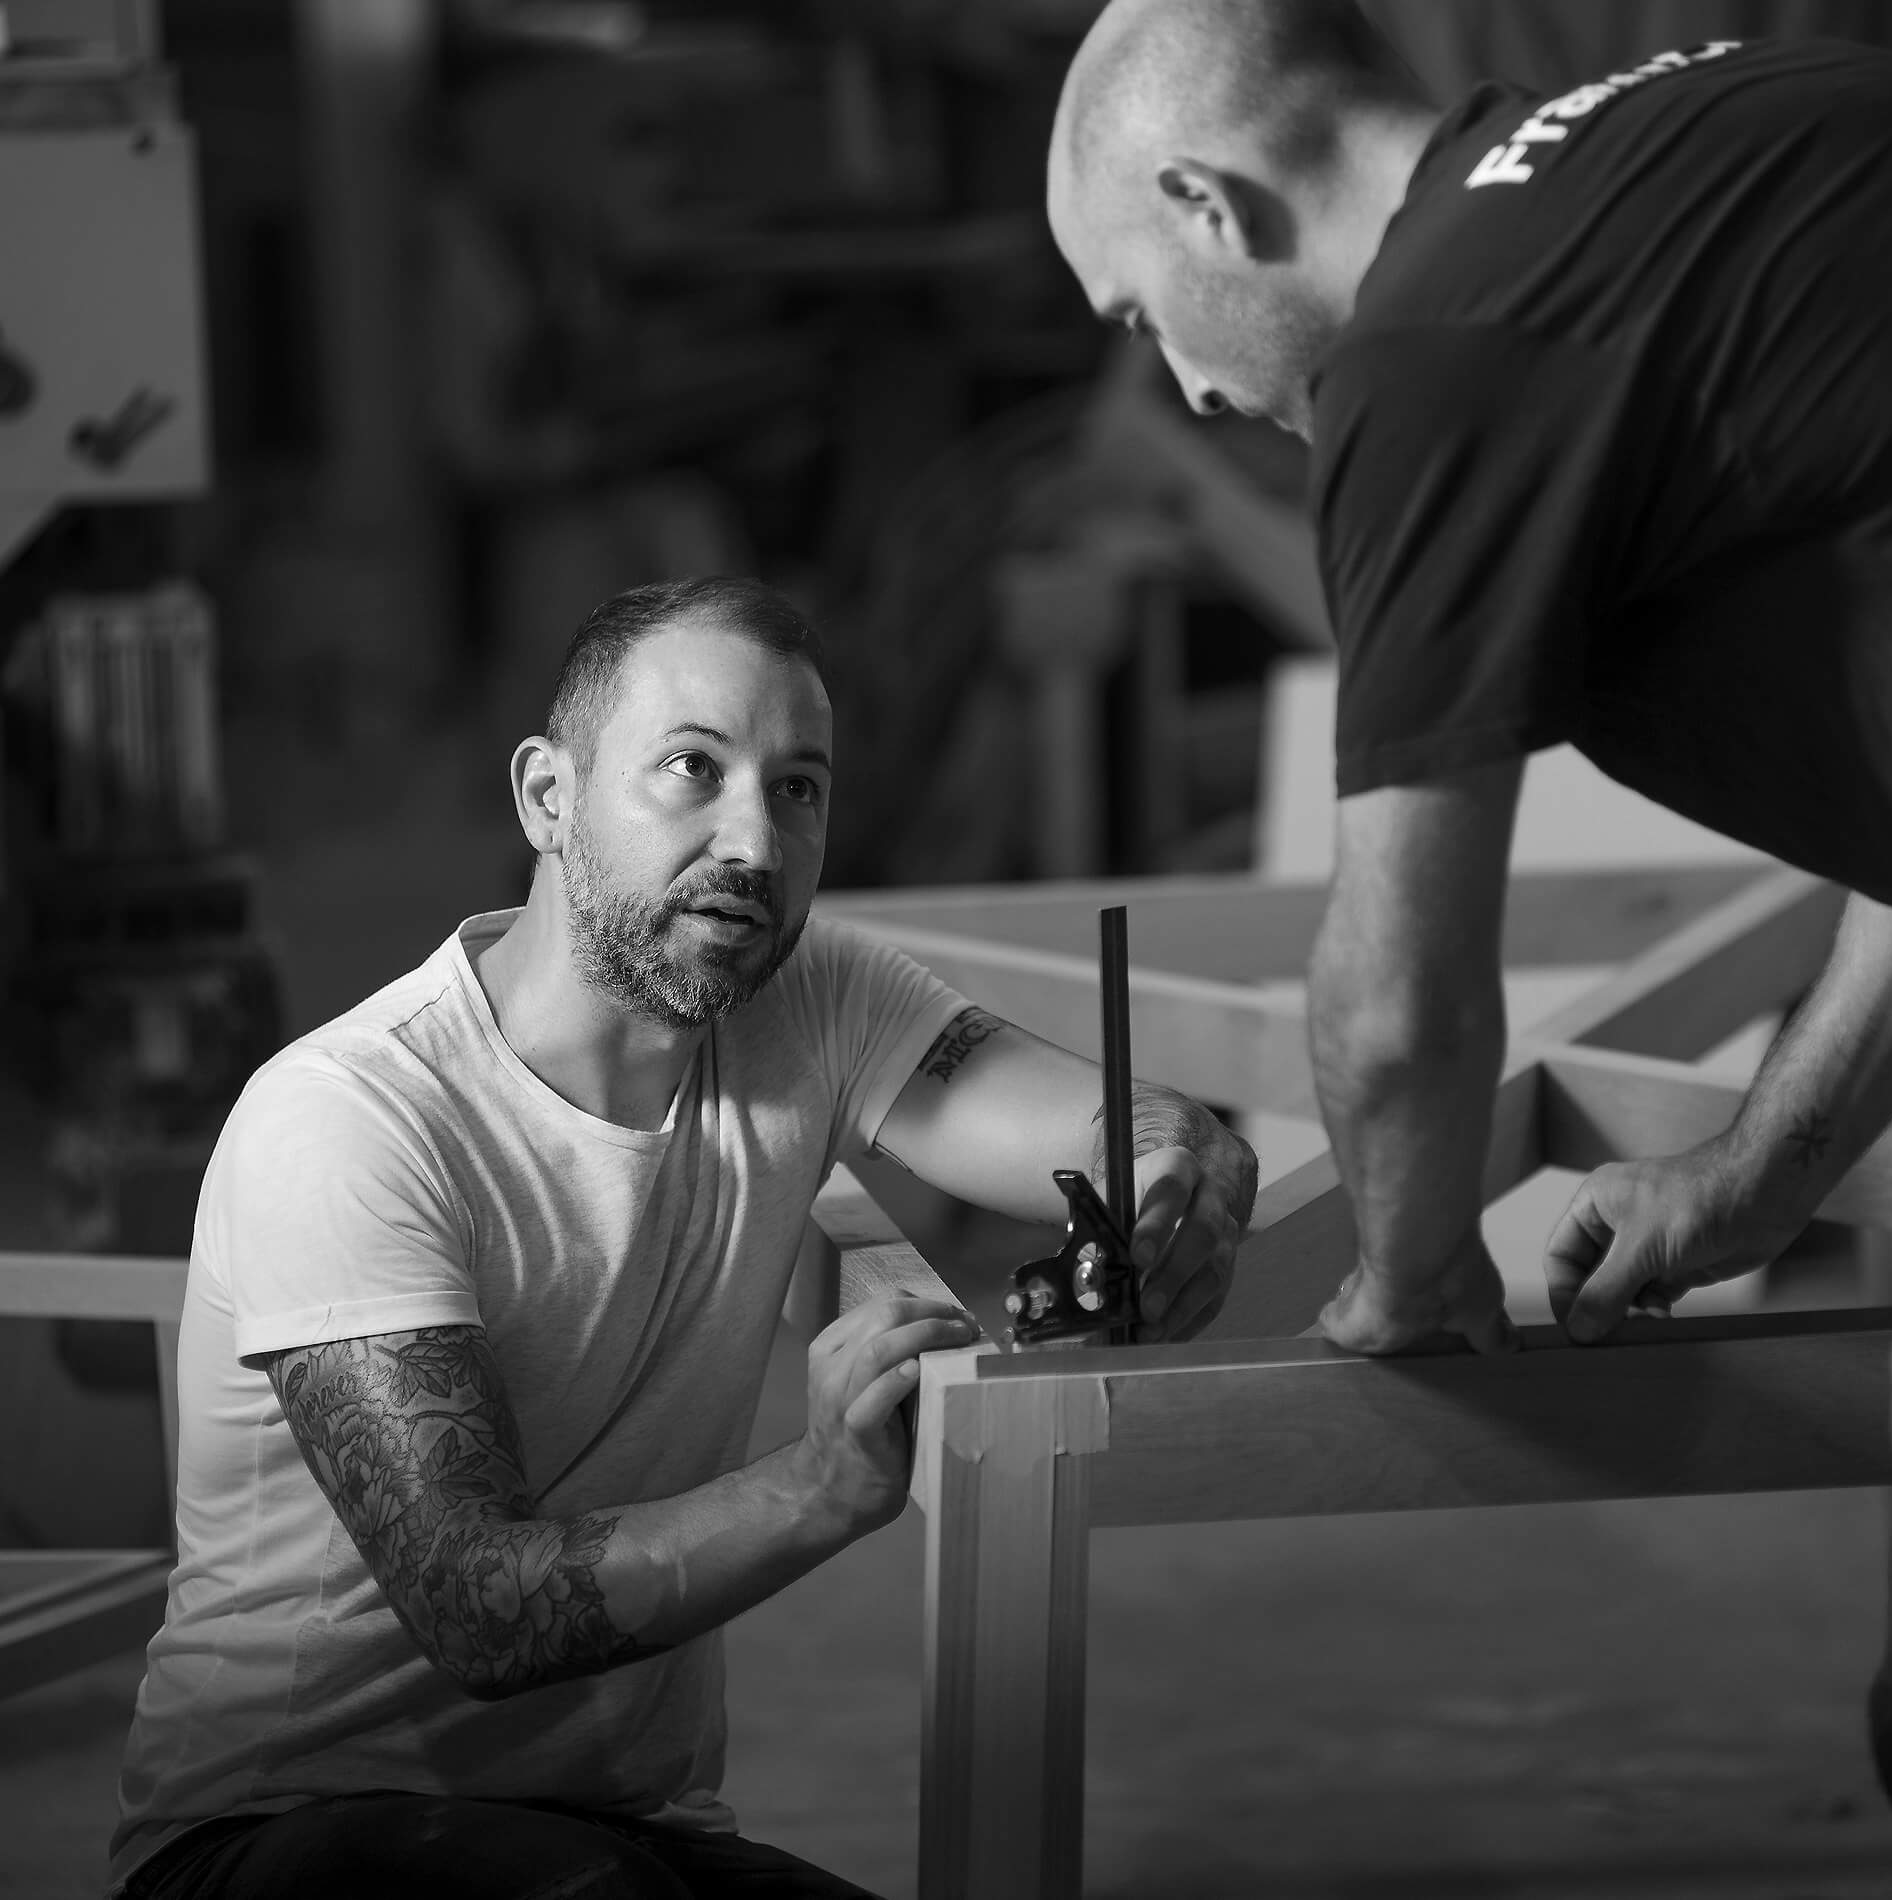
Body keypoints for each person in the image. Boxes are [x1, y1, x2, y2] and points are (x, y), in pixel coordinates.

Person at [1047, 0, 1892, 1800]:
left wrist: (1407, 1274)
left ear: (1213, 204)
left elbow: (1399, 1007)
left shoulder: (1438, 348)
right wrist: (1764, 1171)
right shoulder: (1699, 143)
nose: (1189, 391)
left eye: (1142, 318)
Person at [108, 575, 1258, 1899]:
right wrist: (817, 1485)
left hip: (625, 1830)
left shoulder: (818, 999)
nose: (755, 843)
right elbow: (476, 1604)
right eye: (693, 770)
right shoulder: (354, 1117)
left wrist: (1183, 1182)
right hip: (281, 1837)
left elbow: (1124, 1130)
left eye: (799, 788)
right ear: (549, 797)